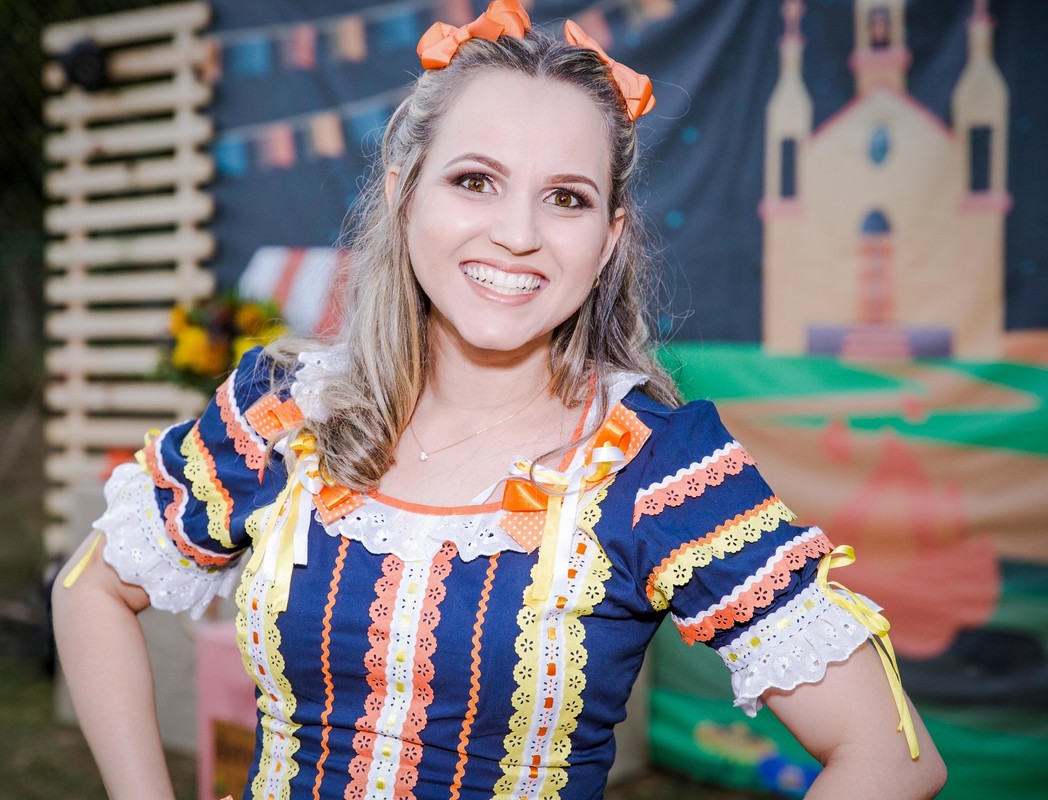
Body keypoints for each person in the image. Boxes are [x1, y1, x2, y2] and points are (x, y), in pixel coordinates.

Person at [52, 3, 947, 798]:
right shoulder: (288, 414)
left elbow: (892, 758)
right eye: (474, 180)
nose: (517, 234)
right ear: (405, 195)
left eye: (566, 198)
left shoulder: (655, 469)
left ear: (608, 239)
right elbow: (92, 592)